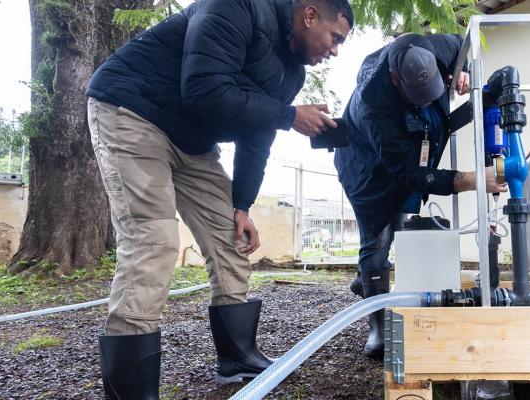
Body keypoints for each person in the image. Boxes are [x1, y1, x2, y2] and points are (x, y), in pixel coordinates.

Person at [86, 0, 353, 397]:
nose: (334, 50)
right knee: (153, 243)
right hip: (134, 110)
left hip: (193, 142)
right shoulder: (236, 6)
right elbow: (203, 89)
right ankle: (129, 391)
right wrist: (288, 115)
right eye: (335, 38)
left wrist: (241, 206)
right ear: (310, 15)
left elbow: (256, 135)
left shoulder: (291, 73)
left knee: (231, 239)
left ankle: (237, 357)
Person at [333, 33, 508, 359]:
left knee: (401, 221)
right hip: (367, 172)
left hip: (408, 153)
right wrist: (469, 179)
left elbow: (462, 47)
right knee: (378, 238)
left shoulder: (439, 47)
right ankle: (379, 324)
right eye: (420, 98)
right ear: (396, 80)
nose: (428, 102)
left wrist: (465, 70)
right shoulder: (374, 104)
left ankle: (366, 281)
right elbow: (405, 172)